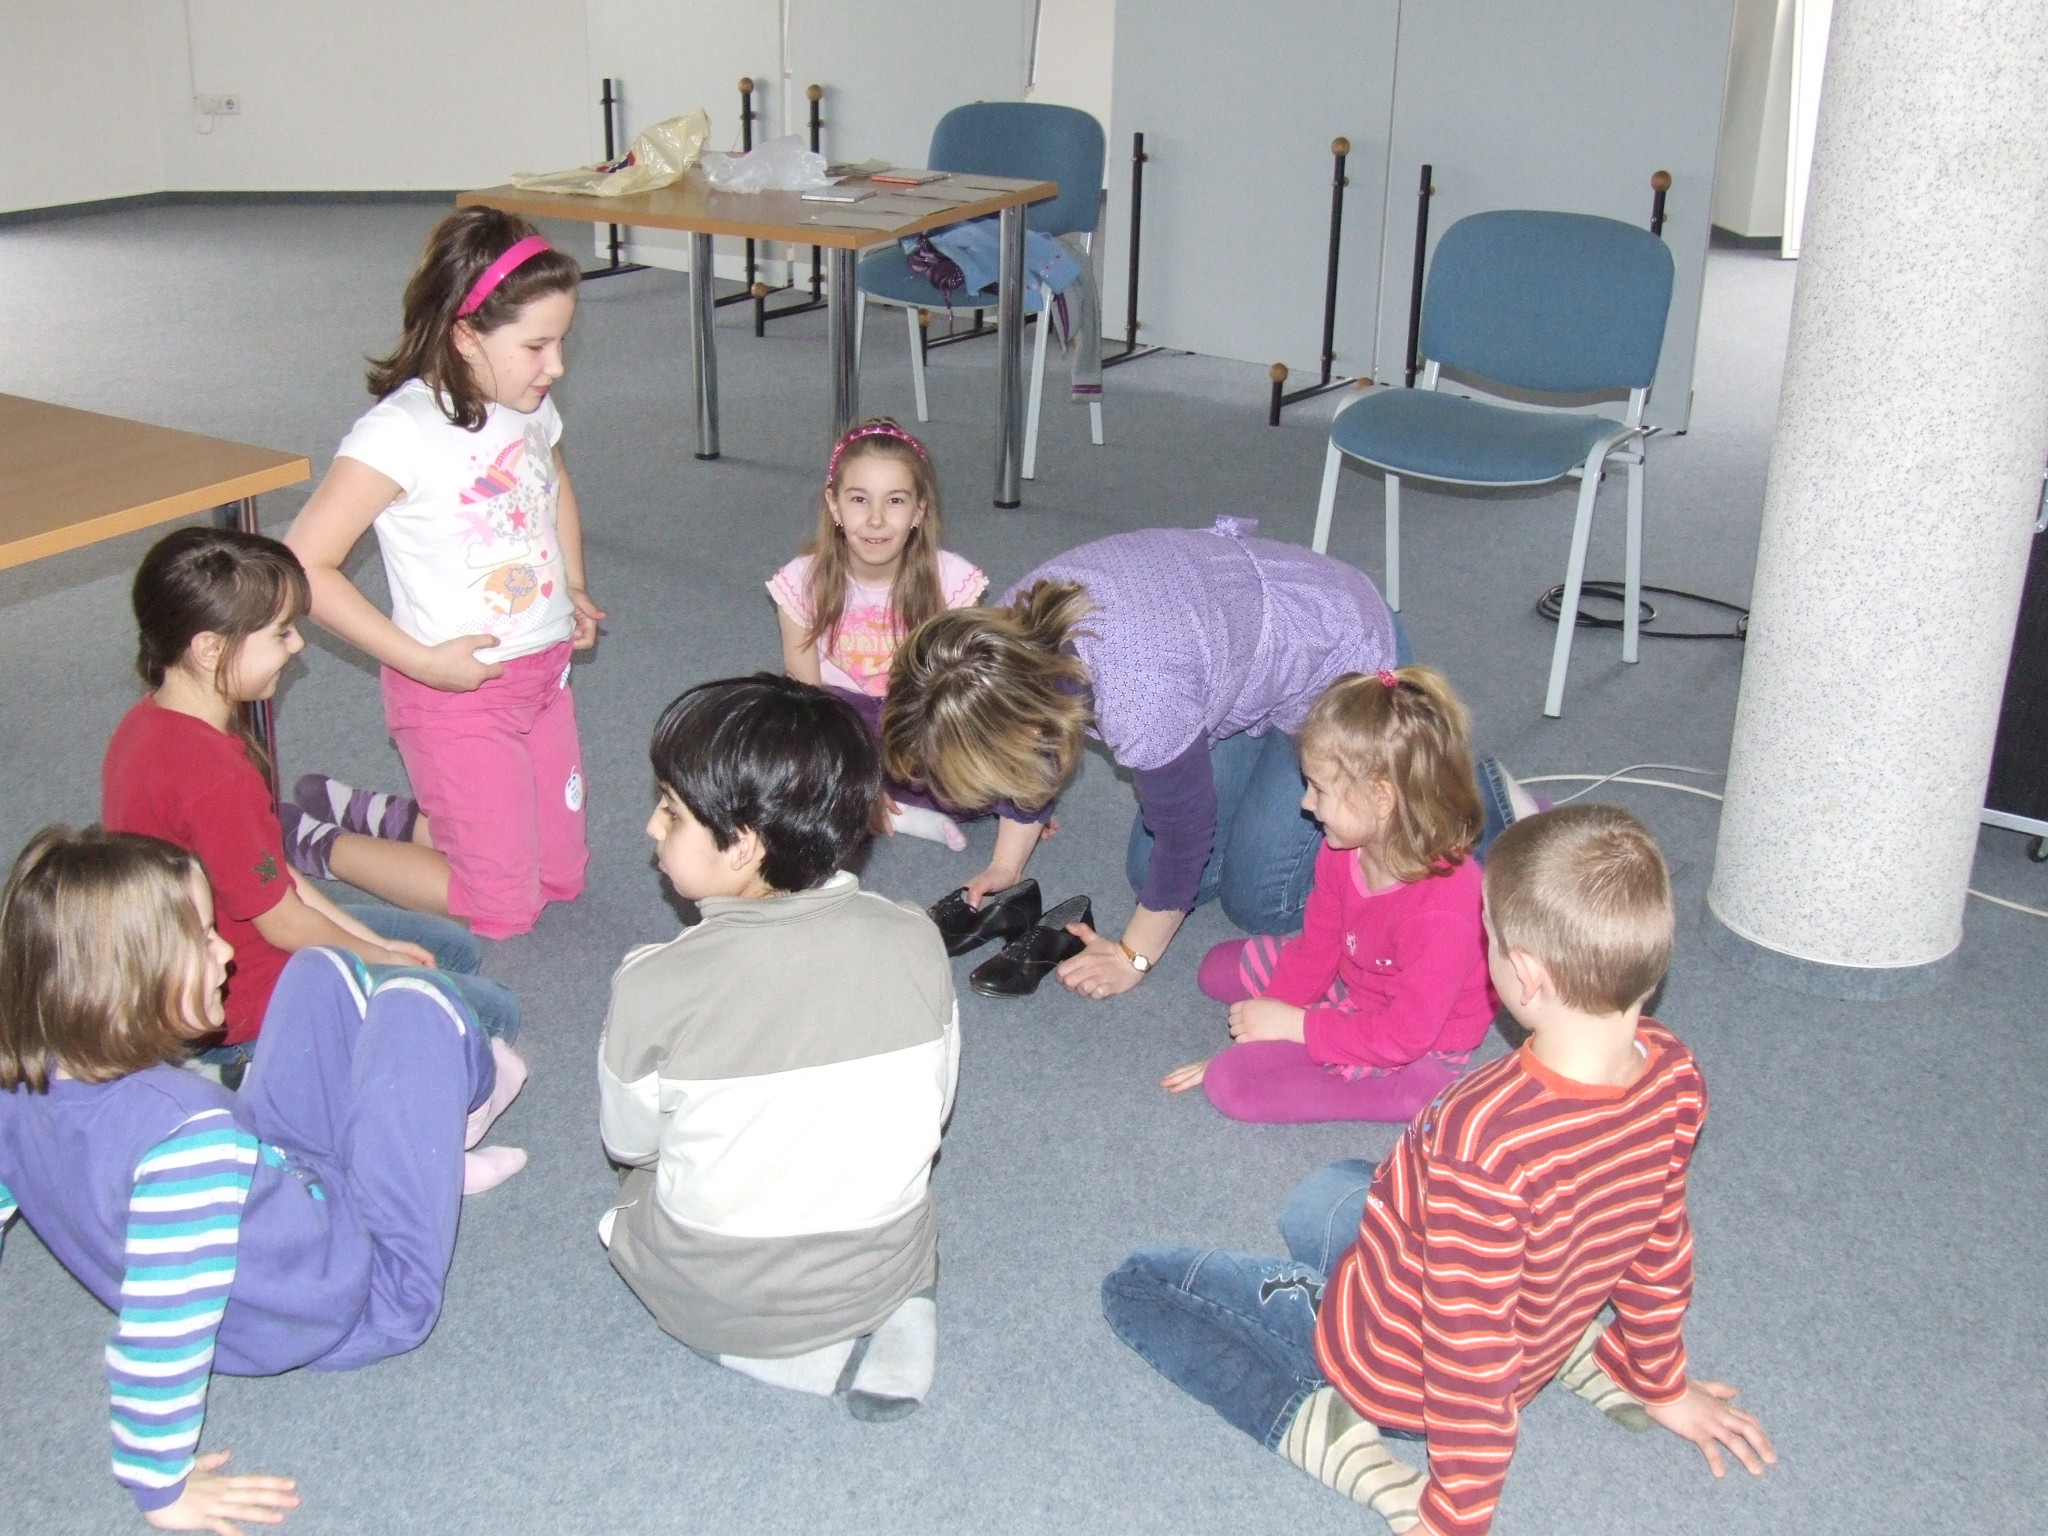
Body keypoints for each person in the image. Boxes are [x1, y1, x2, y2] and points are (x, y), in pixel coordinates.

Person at [1102, 806, 1775, 1536]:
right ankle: (1579, 1347)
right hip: (1529, 1302)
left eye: (1488, 934)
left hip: (1399, 1372)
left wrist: (1458, 1511)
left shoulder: (1480, 1133)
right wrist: (1660, 1381)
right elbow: (1658, 1239)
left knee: (1138, 1286)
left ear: (1525, 976)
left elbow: (1467, 1345)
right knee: (1323, 1195)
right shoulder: (1674, 1073)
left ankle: (1332, 1438)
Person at [0, 828, 528, 1530]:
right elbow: (163, 1327)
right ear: (136, 978)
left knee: (319, 970)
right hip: (361, 1295)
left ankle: (409, 1147)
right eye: (201, 939)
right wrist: (161, 1488)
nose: (224, 950)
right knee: (420, 1007)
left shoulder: (22, 1086)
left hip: (275, 1221)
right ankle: (446, 1127)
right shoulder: (186, 1143)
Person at [598, 676, 958, 1421]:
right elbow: (937, 1102)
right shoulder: (917, 938)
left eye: (670, 811)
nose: (650, 827)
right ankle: (901, 1305)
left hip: (720, 1292)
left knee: (630, 1203)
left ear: (743, 847)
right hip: (880, 1261)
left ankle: (776, 1350)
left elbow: (628, 1142)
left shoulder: (651, 983)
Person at [882, 516, 1399, 999]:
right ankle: (1257, 753)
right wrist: (1005, 864)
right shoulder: (997, 645)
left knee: (1260, 902)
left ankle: (1420, 791)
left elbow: (1185, 835)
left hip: (1332, 650)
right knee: (1155, 874)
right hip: (1233, 657)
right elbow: (1032, 751)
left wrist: (1133, 957)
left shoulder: (1137, 698)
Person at [103, 527, 522, 1088]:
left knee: (452, 950)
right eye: (281, 633)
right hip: (244, 1003)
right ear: (209, 649)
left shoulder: (149, 722)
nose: (298, 645)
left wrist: (376, 947)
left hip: (228, 935)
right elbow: (285, 923)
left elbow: (276, 878)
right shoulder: (215, 778)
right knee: (493, 1015)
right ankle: (245, 1068)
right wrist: (371, 959)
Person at [284, 207, 604, 942]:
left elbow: (553, 482)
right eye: (537, 345)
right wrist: (421, 661)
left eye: (562, 341)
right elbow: (304, 564)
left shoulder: (528, 403)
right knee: (503, 907)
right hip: (453, 699)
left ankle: (399, 817)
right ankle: (322, 843)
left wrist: (572, 583)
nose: (556, 365)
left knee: (562, 876)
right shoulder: (399, 433)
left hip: (542, 681)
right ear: (465, 335)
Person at [1162, 666, 1495, 1123]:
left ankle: (1407, 1090)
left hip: (1420, 1041)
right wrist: (1274, 1015)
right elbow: (1316, 948)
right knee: (1217, 969)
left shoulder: (1443, 910)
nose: (1306, 804)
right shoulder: (1345, 850)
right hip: (1358, 978)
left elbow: (1403, 1035)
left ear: (1381, 800)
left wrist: (1294, 1026)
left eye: (1319, 790)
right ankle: (1331, 1019)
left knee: (1231, 1083)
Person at [768, 417, 986, 850]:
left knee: (981, 780)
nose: (875, 520)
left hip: (917, 714)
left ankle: (873, 804)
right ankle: (887, 808)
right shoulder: (802, 581)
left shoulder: (951, 580)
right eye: (859, 499)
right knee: (784, 764)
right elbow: (807, 697)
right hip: (839, 716)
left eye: (896, 501)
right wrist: (847, 766)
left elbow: (964, 688)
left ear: (919, 510)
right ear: (834, 505)